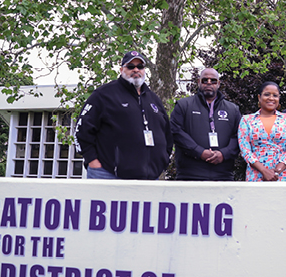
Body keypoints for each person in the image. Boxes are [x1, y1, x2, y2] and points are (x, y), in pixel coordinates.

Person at [74, 50, 173, 180]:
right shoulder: (104, 94)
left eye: (140, 66)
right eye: (131, 66)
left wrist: (163, 161)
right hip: (108, 175)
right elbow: (81, 129)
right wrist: (92, 160)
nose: (136, 70)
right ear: (121, 70)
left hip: (149, 179)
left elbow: (166, 132)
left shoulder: (153, 99)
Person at [170, 68, 242, 181]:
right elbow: (176, 132)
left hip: (223, 175)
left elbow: (239, 137)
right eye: (205, 80)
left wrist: (223, 154)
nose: (209, 83)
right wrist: (199, 152)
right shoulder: (183, 105)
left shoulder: (233, 109)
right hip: (190, 175)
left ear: (218, 84)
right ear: (199, 82)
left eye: (213, 80)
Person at [237, 81, 286, 182]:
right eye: (267, 94)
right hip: (256, 174)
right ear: (259, 97)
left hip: (282, 175)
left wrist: (277, 171)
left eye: (275, 95)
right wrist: (264, 171)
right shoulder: (247, 120)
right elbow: (245, 150)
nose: (271, 98)